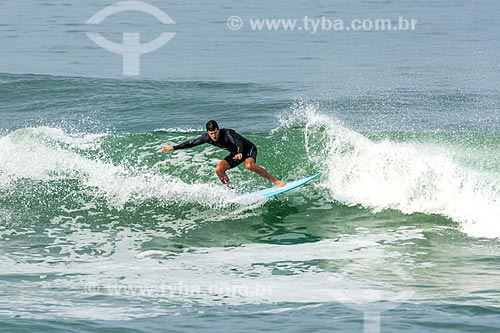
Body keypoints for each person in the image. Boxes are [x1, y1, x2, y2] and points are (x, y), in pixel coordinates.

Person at [163, 120, 285, 188]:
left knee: (249, 166)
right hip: (235, 153)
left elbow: (239, 141)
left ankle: (276, 181)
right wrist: (173, 147)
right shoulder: (207, 138)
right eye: (211, 134)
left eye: (215, 132)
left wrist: (240, 152)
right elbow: (191, 143)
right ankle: (231, 191)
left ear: (218, 129)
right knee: (219, 169)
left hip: (247, 149)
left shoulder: (228, 133)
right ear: (208, 133)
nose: (214, 136)